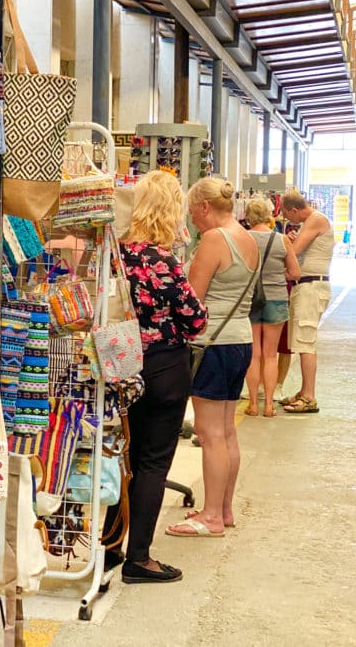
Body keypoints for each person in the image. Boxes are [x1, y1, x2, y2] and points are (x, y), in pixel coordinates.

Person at [101, 170, 207, 582]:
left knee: (123, 456)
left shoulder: (117, 254)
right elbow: (194, 320)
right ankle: (139, 558)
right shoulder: (163, 261)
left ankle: (109, 545)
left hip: (121, 363)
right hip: (164, 366)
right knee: (153, 463)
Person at [165, 178, 257, 538]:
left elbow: (191, 298)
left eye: (192, 212)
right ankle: (224, 509)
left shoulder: (215, 240)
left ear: (203, 207)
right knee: (227, 431)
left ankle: (212, 517)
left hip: (212, 343)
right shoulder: (246, 237)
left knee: (209, 434)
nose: (192, 220)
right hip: (239, 340)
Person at [277, 190, 334, 413]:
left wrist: (287, 242)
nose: (287, 220)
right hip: (306, 286)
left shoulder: (316, 219)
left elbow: (295, 250)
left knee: (306, 342)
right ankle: (303, 391)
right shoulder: (310, 223)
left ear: (294, 209)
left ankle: (309, 396)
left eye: (286, 215)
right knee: (301, 341)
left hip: (312, 287)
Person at [243, 199, 300, 417]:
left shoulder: (243, 239)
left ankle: (253, 405)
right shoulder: (282, 240)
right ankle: (268, 405)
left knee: (254, 354)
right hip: (276, 298)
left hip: (250, 299)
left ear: (248, 216)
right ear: (269, 214)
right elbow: (295, 273)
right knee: (270, 355)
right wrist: (278, 276)